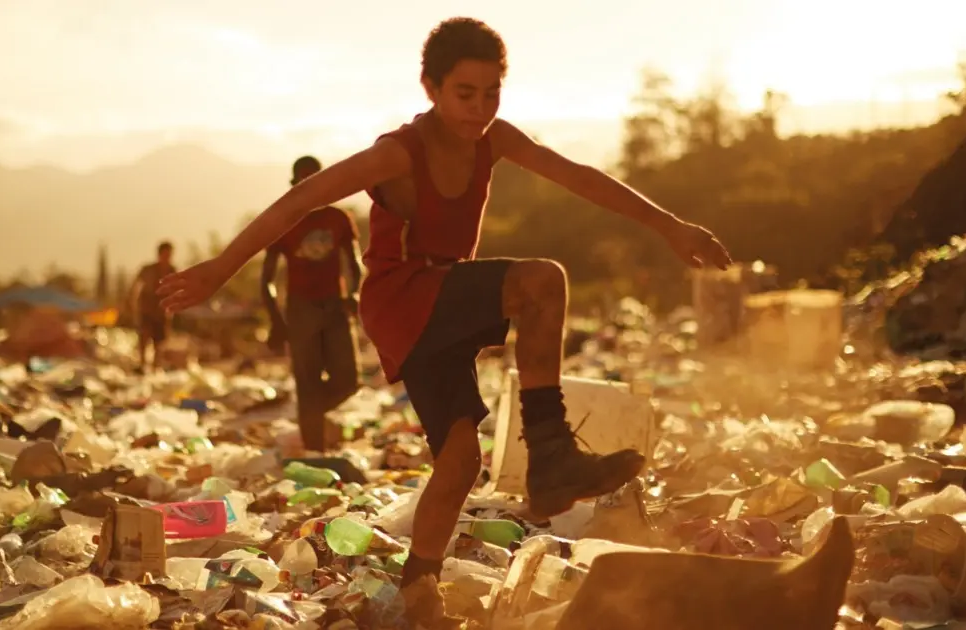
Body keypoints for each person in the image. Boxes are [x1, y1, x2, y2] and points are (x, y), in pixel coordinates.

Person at [157, 17, 732, 621]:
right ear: (430, 88)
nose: (479, 109)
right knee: (543, 281)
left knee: (460, 461)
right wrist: (221, 268)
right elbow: (303, 200)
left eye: (492, 93)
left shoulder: (496, 139)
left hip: (441, 304)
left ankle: (416, 588)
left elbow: (580, 178)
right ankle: (551, 453)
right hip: (403, 295)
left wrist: (670, 225)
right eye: (465, 94)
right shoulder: (398, 153)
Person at [261, 156, 364, 452]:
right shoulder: (283, 219)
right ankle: (315, 452)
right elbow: (267, 278)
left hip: (334, 305)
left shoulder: (339, 219)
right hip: (300, 308)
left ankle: (310, 414)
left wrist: (354, 293)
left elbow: (354, 263)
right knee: (307, 384)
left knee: (348, 380)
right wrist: (276, 320)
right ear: (294, 186)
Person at [130, 241, 176, 372]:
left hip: (162, 310)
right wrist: (132, 303)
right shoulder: (148, 269)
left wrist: (172, 309)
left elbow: (175, 289)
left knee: (159, 342)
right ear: (160, 254)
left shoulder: (172, 270)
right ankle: (143, 364)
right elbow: (136, 285)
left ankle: (156, 366)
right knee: (144, 337)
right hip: (147, 308)